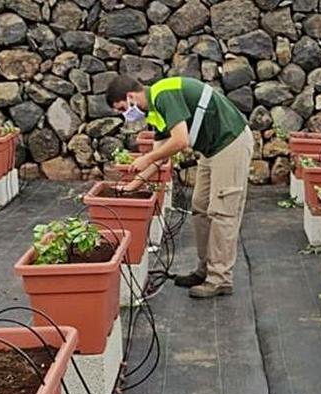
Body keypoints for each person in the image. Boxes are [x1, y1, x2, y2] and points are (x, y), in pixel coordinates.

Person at [105, 75, 254, 299]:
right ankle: (204, 270)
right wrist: (133, 185)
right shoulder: (155, 110)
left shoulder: (164, 95)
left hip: (230, 142)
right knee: (200, 207)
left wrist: (146, 159)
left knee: (222, 211)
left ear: (131, 96)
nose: (124, 114)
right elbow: (160, 157)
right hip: (211, 149)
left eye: (122, 108)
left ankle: (220, 279)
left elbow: (180, 141)